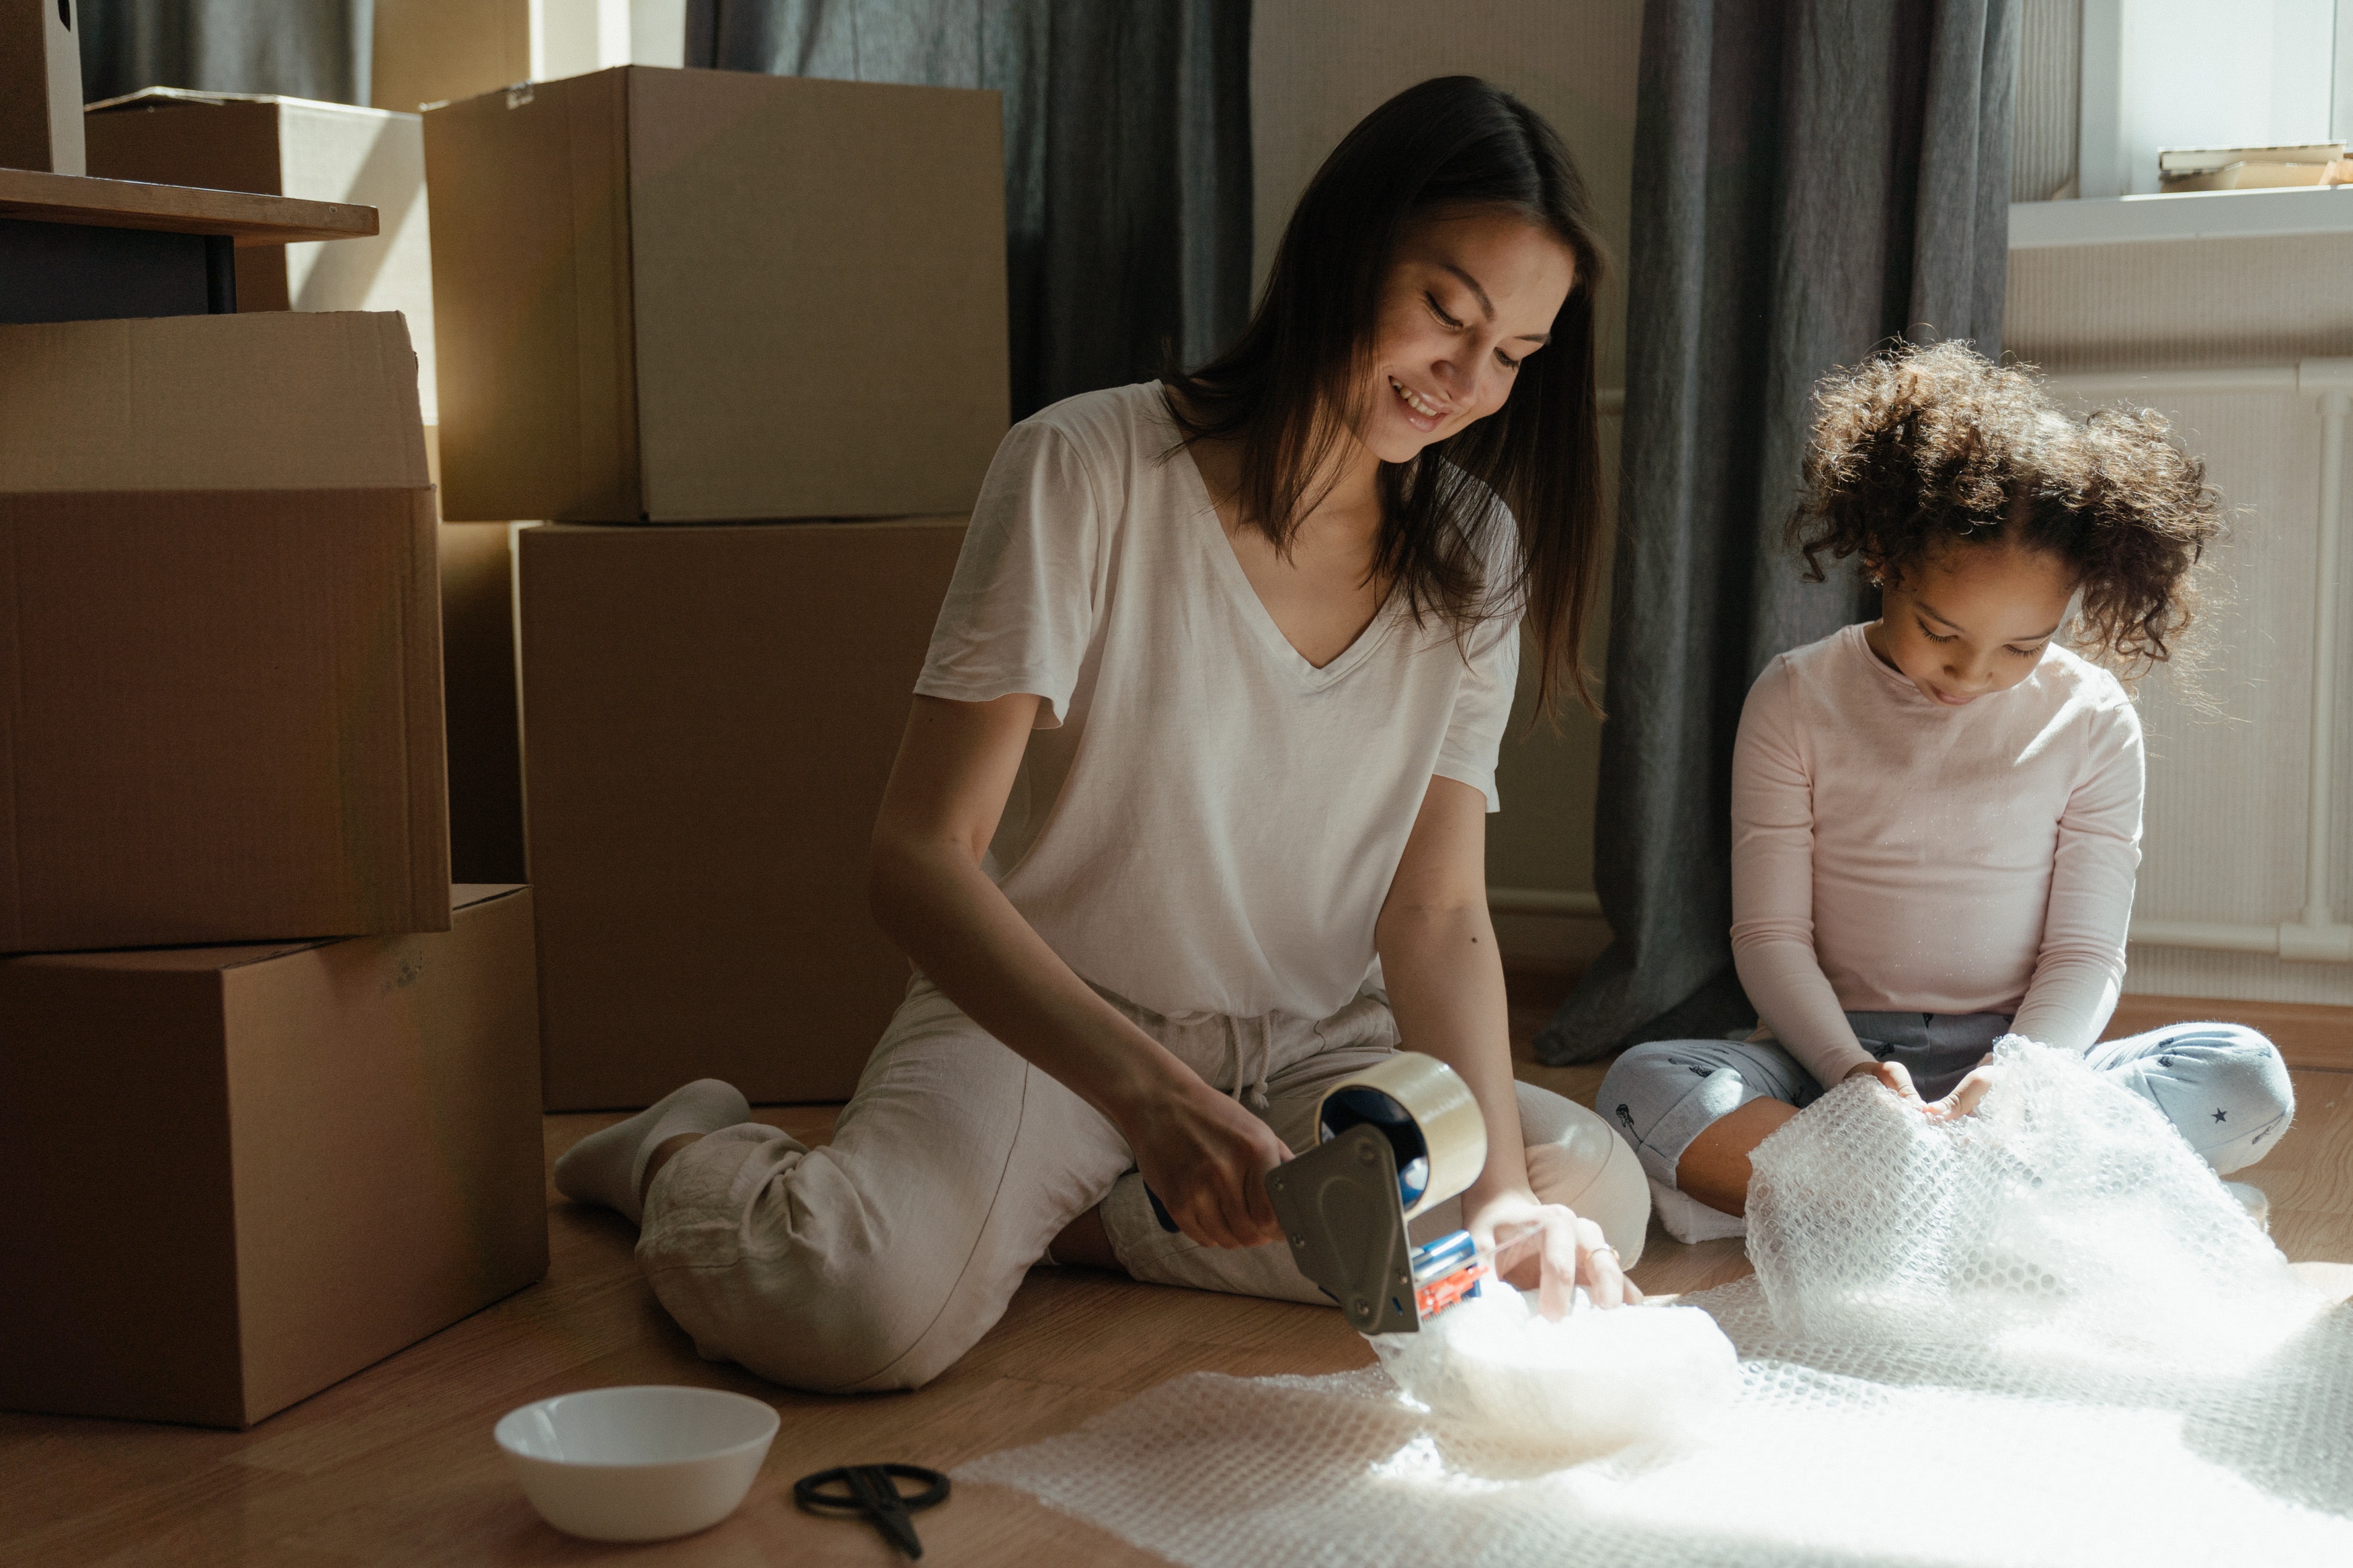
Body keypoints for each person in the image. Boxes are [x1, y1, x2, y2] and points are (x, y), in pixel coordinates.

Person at [551, 76, 1652, 1394]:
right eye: (1445, 315)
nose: (1467, 383)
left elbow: (1436, 917)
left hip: (1317, 1051)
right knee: (849, 1310)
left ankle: (1087, 1221)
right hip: (1052, 1030)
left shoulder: (1475, 548)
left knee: (1582, 1192)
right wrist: (1149, 1098)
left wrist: (1505, 1202)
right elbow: (916, 856)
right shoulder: (1084, 466)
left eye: (1515, 358)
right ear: (1345, 249)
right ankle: (688, 1151)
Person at [1601, 341, 2295, 1243]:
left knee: (2246, 1077)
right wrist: (1850, 1073)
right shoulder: (1794, 696)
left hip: (2025, 1071)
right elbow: (1770, 936)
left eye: (2023, 646)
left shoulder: (2092, 718)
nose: (1972, 673)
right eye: (1941, 630)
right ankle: (2024, 1208)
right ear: (1885, 557)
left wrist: (2014, 1080)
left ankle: (1881, 1206)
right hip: (1834, 1068)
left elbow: (2085, 952)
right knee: (1644, 1083)